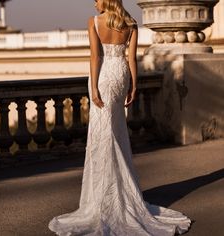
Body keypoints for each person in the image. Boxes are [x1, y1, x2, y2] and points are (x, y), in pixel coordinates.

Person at [48, 0, 191, 235]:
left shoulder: (94, 22)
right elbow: (131, 59)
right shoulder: (131, 23)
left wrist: (93, 88)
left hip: (104, 76)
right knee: (115, 130)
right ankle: (119, 191)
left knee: (103, 134)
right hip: (121, 75)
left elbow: (95, 57)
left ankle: (105, 196)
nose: (94, 2)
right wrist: (134, 85)